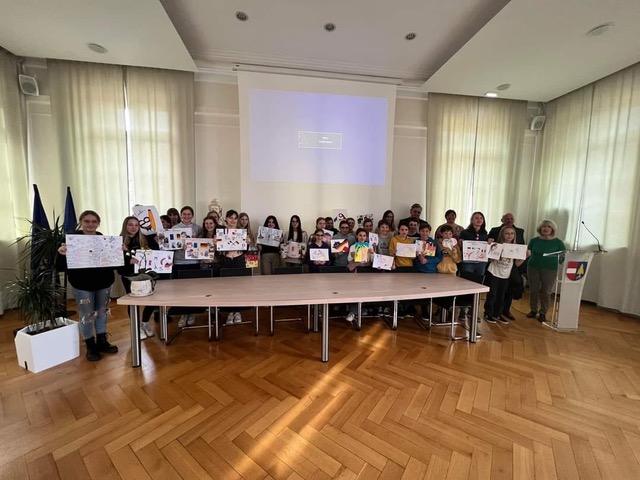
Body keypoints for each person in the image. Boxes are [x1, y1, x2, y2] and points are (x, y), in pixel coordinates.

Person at [57, 210, 118, 361]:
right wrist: (61, 253)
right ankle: (90, 345)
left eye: (94, 221)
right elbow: (60, 266)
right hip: (82, 284)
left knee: (102, 312)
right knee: (87, 314)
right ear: (81, 222)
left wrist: (119, 252)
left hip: (103, 282)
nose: (90, 224)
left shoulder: (103, 239)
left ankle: (102, 341)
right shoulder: (71, 240)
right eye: (87, 221)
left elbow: (113, 262)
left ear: (98, 223)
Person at [117, 216, 156, 340]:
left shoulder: (145, 239)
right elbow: (116, 262)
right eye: (130, 225)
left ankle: (145, 323)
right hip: (129, 276)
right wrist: (127, 258)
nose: (133, 227)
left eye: (136, 225)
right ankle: (136, 326)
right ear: (125, 226)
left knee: (151, 300)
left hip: (146, 275)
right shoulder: (118, 241)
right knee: (133, 302)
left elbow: (156, 254)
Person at [484, 226, 526, 324]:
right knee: (492, 294)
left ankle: (497, 314)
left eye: (512, 233)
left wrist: (525, 257)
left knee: (501, 295)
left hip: (506, 274)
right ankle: (488, 313)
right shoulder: (497, 245)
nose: (509, 235)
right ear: (502, 234)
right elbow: (489, 260)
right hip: (494, 272)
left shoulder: (515, 247)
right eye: (507, 233)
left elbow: (516, 264)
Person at [527, 219, 565, 323]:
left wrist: (559, 261)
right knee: (533, 290)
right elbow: (528, 252)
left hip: (550, 269)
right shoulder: (534, 240)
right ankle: (533, 310)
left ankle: (543, 312)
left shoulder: (558, 242)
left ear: (552, 229)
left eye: (548, 227)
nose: (546, 229)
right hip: (533, 267)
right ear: (540, 229)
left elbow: (562, 256)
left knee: (546, 291)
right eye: (544, 227)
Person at [219, 209, 249, 324]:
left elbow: (245, 250)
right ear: (226, 219)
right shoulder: (221, 232)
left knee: (239, 288)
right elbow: (218, 250)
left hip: (239, 260)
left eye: (235, 218)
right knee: (227, 288)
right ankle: (230, 312)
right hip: (226, 261)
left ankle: (237, 312)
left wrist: (248, 242)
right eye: (230, 217)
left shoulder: (241, 232)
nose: (233, 220)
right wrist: (215, 242)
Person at [459, 211, 489, 276]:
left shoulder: (485, 233)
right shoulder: (465, 232)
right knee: (467, 281)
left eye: (481, 218)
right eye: (476, 218)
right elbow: (460, 246)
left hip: (481, 263)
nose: (479, 220)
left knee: (479, 282)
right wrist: (461, 243)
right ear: (472, 220)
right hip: (468, 262)